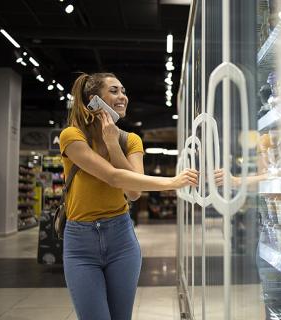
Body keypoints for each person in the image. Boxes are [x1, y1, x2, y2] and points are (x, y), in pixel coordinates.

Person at [59, 72, 198, 320]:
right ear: (93, 100)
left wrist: (113, 144)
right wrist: (172, 182)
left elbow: (133, 192)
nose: (122, 96)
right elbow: (113, 177)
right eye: (113, 91)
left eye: (123, 91)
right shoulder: (72, 136)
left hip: (121, 238)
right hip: (81, 242)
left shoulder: (130, 140)